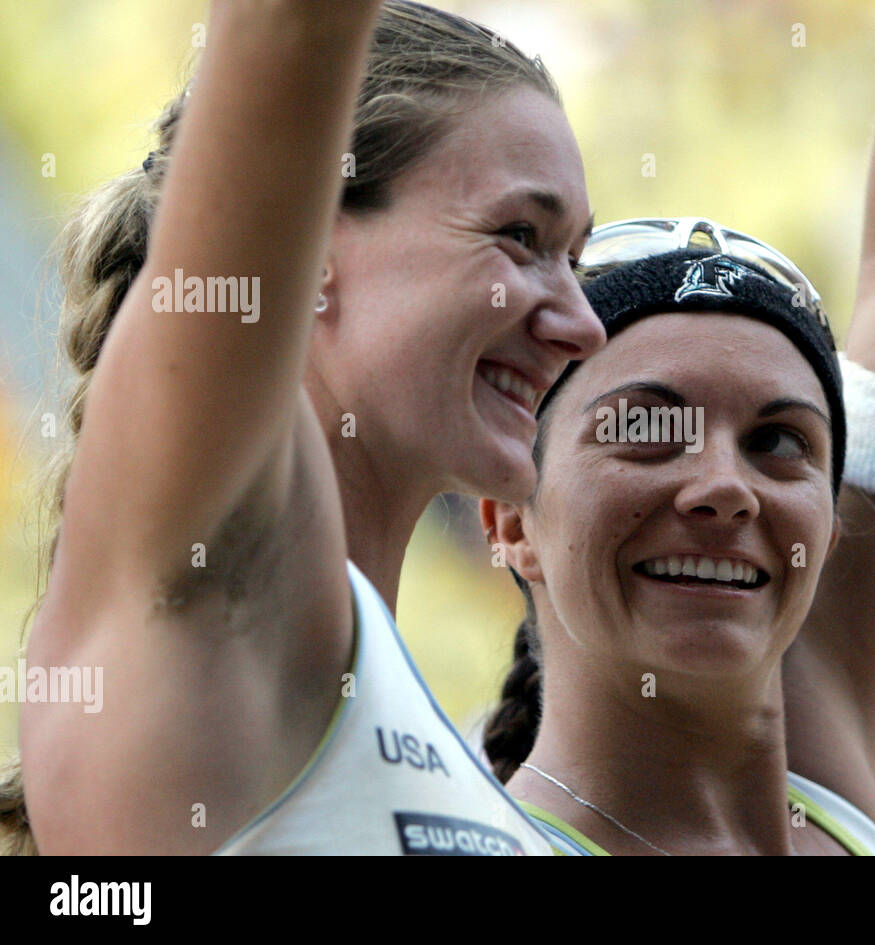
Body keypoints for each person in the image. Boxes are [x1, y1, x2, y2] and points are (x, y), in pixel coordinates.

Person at [5, 0, 603, 855]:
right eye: (521, 238)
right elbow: (288, 23)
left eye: (575, 260)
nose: (584, 325)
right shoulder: (229, 553)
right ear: (307, 250)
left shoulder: (438, 747)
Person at [480, 0, 875, 855]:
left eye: (779, 441)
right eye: (646, 426)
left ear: (831, 534)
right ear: (508, 518)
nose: (725, 485)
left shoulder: (829, 766)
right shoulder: (452, 836)